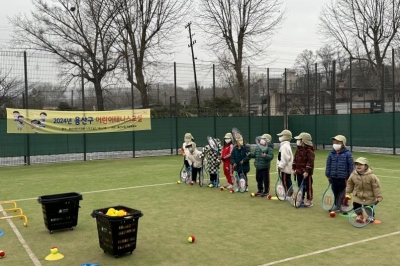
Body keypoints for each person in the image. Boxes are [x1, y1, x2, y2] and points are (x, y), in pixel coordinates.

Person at [346, 157, 383, 222]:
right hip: (357, 195)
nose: (358, 166)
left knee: (369, 207)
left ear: (366, 166)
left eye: (361, 164)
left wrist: (379, 196)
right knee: (356, 206)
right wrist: (348, 192)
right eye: (357, 164)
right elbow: (350, 184)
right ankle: (359, 216)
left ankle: (371, 216)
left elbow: (376, 187)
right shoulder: (353, 175)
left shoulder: (371, 176)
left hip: (369, 196)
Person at [325, 135, 354, 212]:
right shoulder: (331, 153)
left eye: (337, 142)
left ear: (343, 144)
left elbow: (351, 166)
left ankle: (344, 206)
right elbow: (328, 165)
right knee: (335, 191)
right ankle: (336, 205)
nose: (335, 144)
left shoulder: (347, 154)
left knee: (343, 193)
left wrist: (349, 177)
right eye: (334, 142)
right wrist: (328, 175)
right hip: (333, 177)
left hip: (343, 178)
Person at [292, 132, 315, 207]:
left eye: (299, 139)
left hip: (306, 174)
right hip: (298, 172)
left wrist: (307, 171)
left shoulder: (310, 151)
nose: (298, 141)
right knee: (300, 186)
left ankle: (309, 199)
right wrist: (294, 168)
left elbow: (310, 162)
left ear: (303, 141)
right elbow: (295, 160)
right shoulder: (298, 150)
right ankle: (300, 198)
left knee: (308, 187)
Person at [276, 129, 293, 197]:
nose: (280, 137)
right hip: (285, 169)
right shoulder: (284, 146)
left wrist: (280, 166)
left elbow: (285, 158)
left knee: (286, 182)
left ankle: (289, 195)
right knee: (286, 181)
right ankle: (289, 194)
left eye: (281, 136)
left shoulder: (284, 146)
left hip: (285, 169)